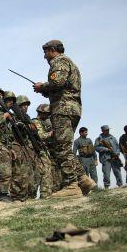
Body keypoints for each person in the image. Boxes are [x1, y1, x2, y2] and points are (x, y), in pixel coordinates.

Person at [33, 40, 86, 197]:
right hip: (72, 109)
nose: (44, 56)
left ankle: (71, 185)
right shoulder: (70, 63)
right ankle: (83, 180)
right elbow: (63, 86)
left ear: (52, 50)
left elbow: (57, 82)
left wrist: (42, 86)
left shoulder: (59, 61)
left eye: (45, 52)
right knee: (65, 146)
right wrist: (46, 91)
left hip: (63, 109)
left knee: (61, 147)